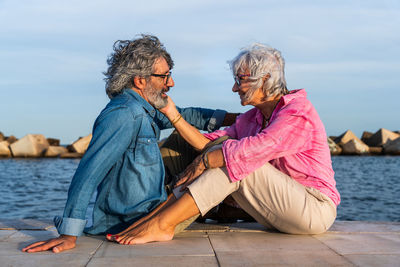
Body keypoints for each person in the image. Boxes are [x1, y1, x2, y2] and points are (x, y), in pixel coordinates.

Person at [106, 43, 341, 245]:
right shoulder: (252, 119)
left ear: (265, 79)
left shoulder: (297, 113)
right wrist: (172, 113)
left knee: (235, 161)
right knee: (225, 151)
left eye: (241, 80)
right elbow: (207, 143)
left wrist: (206, 161)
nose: (234, 88)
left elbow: (255, 150)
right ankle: (154, 219)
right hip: (279, 212)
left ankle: (162, 224)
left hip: (314, 209)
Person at [22, 34, 236, 253]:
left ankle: (223, 209)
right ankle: (223, 209)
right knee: (231, 156)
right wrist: (69, 234)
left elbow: (184, 115)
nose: (170, 83)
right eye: (164, 76)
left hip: (156, 204)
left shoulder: (145, 107)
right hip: (136, 220)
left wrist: (236, 119)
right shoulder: (124, 114)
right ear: (140, 81)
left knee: (196, 137)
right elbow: (88, 172)